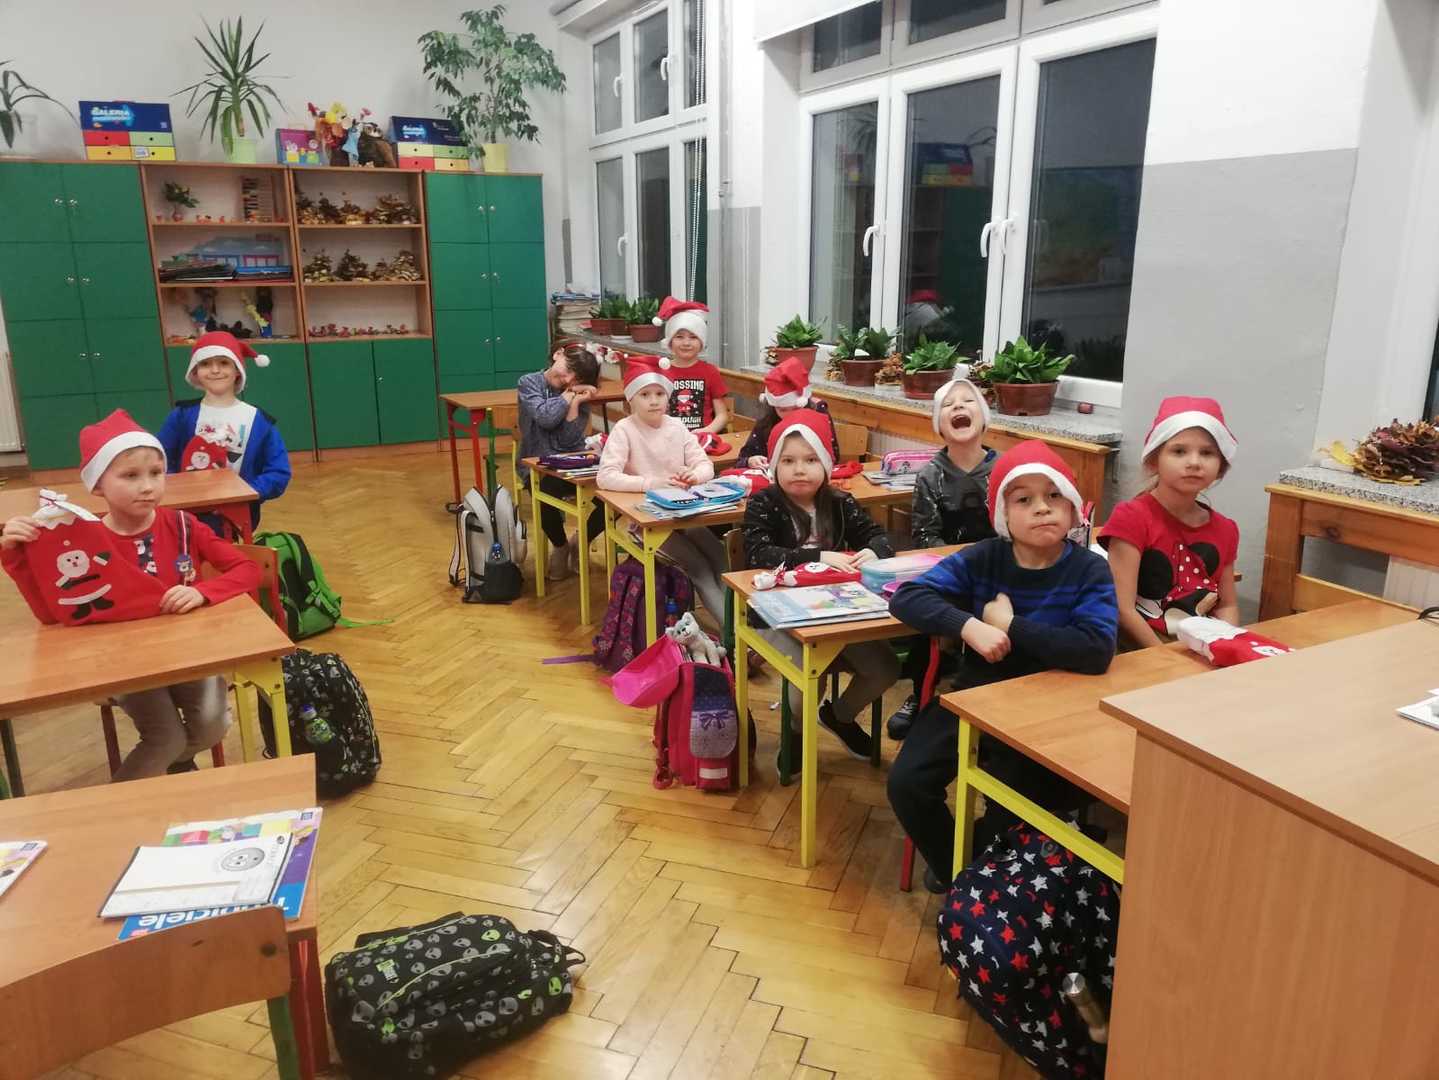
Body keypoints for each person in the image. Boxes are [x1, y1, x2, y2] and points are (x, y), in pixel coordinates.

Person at [887, 440, 1118, 892]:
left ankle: (977, 873)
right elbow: (908, 597)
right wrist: (970, 626)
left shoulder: (1089, 569)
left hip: (1050, 715)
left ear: (1073, 507)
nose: (1042, 508)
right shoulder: (985, 556)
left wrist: (1011, 625)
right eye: (1024, 499)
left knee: (1015, 800)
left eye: (1054, 496)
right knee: (908, 782)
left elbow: (1095, 649)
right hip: (977, 698)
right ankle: (962, 874)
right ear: (1002, 515)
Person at [1, 410, 261, 781]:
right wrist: (16, 555)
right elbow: (52, 614)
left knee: (212, 726)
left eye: (156, 473)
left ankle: (167, 767)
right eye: (130, 476)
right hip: (124, 663)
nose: (148, 486)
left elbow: (248, 569)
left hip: (188, 652)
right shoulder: (82, 541)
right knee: (165, 737)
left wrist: (203, 593)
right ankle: (116, 804)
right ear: (97, 486)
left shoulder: (183, 525)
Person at [743, 409, 899, 762]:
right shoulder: (764, 503)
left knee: (886, 668)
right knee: (810, 672)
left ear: (827, 465)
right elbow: (757, 553)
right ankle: (796, 732)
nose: (800, 469)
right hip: (775, 616)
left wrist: (874, 550)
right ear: (774, 466)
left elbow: (879, 536)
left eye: (811, 460)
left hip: (836, 612)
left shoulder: (840, 502)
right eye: (788, 461)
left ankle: (839, 715)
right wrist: (819, 555)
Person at [888, 375, 998, 740]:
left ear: (984, 418)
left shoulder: (1003, 470)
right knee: (925, 619)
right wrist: (957, 570)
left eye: (968, 401)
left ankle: (987, 696)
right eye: (949, 405)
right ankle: (919, 694)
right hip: (946, 572)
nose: (958, 407)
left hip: (996, 572)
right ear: (939, 424)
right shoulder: (931, 475)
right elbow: (925, 535)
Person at [597, 355, 729, 625]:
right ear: (631, 399)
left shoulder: (677, 426)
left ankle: (741, 632)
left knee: (720, 557)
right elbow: (606, 477)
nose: (654, 401)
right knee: (699, 568)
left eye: (659, 394)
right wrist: (650, 483)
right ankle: (734, 637)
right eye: (645, 394)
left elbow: (705, 464)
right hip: (646, 522)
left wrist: (695, 475)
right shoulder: (624, 429)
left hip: (685, 513)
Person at [1098, 396, 1240, 648]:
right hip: (1140, 651)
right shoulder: (1131, 518)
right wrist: (1163, 656)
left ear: (1221, 466)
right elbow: (1122, 609)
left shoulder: (1226, 529)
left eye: (1207, 453)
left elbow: (1226, 605)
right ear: (1154, 460)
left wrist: (1225, 647)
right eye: (1179, 451)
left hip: (1199, 646)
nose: (1194, 462)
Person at [157, 331, 291, 535]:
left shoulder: (259, 421)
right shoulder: (182, 415)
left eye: (224, 363)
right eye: (205, 363)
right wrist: (180, 494)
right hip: (187, 519)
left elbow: (279, 472)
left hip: (236, 519)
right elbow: (160, 461)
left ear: (237, 370)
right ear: (195, 371)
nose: (215, 370)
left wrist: (244, 492)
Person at [517, 340, 604, 581]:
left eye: (577, 377)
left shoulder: (576, 394)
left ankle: (580, 541)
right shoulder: (529, 382)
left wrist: (576, 403)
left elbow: (568, 441)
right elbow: (545, 417)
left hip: (573, 463)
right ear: (557, 354)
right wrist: (569, 394)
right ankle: (561, 545)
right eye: (570, 369)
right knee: (544, 492)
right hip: (537, 464)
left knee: (613, 494)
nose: (569, 379)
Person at [738, 357, 838, 470]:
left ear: (804, 403)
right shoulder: (767, 421)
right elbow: (743, 458)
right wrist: (751, 461)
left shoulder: (818, 412)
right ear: (773, 407)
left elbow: (832, 457)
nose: (790, 415)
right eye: (783, 410)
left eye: (796, 409)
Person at [653, 296, 729, 437]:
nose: (686, 343)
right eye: (679, 337)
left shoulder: (710, 372)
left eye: (693, 337)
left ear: (702, 342)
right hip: (667, 438)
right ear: (670, 341)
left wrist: (706, 431)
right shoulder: (660, 371)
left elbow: (722, 416)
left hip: (702, 439)